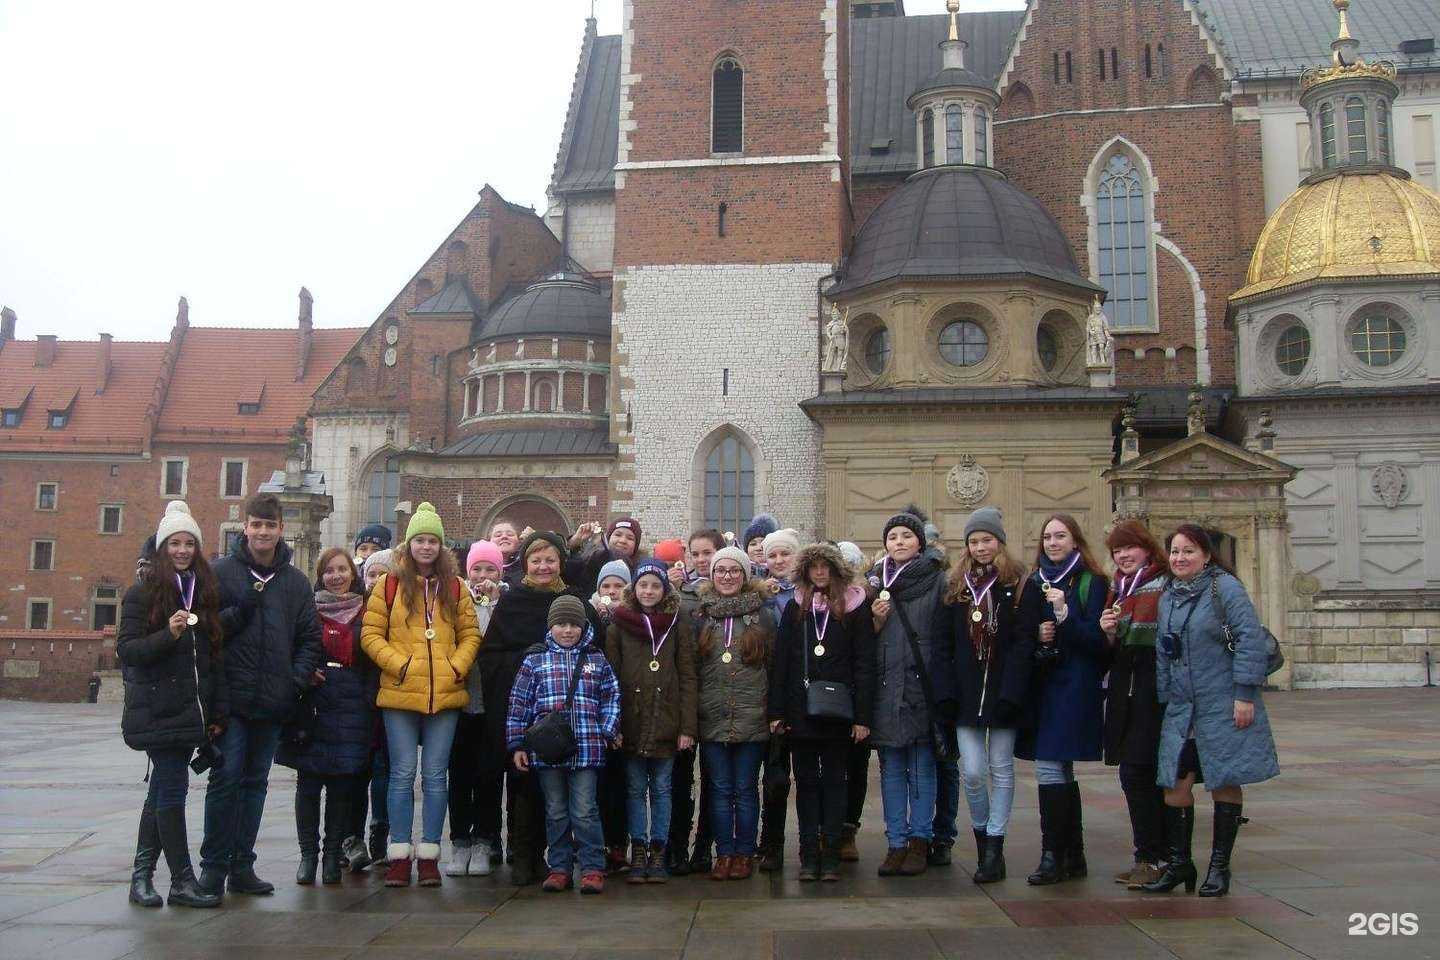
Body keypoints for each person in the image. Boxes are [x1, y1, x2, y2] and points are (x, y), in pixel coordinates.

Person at [1141, 524, 1279, 898]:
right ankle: (1181, 862)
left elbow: (1250, 639)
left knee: (1224, 779)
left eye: (1188, 551)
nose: (1179, 558)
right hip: (1183, 707)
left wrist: (1245, 694)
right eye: (1174, 552)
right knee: (1175, 785)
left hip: (1222, 702)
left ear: (1205, 555)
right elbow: (1164, 650)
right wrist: (1166, 697)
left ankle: (1220, 867)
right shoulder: (1169, 592)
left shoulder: (1225, 588)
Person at [201, 493, 322, 897]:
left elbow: (309, 638)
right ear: (246, 527)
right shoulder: (221, 572)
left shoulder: (295, 582)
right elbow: (209, 630)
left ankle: (242, 866)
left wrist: (295, 680)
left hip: (273, 699)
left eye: (270, 525)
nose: (263, 532)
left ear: (280, 530)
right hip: (232, 698)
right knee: (225, 779)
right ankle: (213, 869)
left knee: (255, 783)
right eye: (256, 524)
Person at [360, 502, 482, 887]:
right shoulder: (389, 585)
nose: (426, 547)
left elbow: (470, 634)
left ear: (441, 547)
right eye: (420, 540)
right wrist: (400, 665)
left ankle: (429, 852)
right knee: (401, 775)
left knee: (435, 776)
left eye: (432, 541)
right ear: (409, 544)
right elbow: (370, 635)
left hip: (444, 694)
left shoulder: (455, 587)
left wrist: (456, 667)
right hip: (400, 693)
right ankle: (399, 852)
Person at [118, 502, 225, 908]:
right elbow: (128, 651)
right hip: (159, 711)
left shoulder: (203, 593)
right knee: (173, 792)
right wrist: (169, 634)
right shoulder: (142, 594)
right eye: (175, 543)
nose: (182, 550)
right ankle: (182, 879)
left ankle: (141, 876)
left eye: (189, 544)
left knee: (161, 792)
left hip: (190, 713)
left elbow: (212, 660)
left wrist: (215, 713)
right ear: (162, 549)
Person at [481, 531, 602, 885]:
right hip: (524, 710)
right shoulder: (512, 601)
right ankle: (523, 856)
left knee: (568, 798)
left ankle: (561, 860)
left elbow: (597, 649)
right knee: (523, 787)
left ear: (561, 562)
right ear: (525, 564)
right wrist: (525, 658)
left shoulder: (574, 601)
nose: (544, 566)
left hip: (569, 717)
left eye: (550, 560)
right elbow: (490, 656)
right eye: (536, 560)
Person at [768, 542, 875, 882]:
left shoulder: (857, 605)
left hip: (839, 710)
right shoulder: (796, 607)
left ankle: (830, 854)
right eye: (813, 567)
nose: (819, 572)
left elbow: (865, 663)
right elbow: (782, 661)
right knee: (807, 783)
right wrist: (777, 711)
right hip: (800, 710)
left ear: (835, 569)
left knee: (834, 782)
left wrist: (863, 717)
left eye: (825, 566)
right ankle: (808, 853)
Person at [936, 507, 1032, 884]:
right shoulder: (956, 587)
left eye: (987, 540)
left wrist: (1013, 690)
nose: (980, 548)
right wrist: (945, 691)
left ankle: (995, 845)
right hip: (966, 693)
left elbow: (1024, 643)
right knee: (973, 772)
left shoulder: (1018, 584)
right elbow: (942, 645)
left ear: (999, 542)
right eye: (974, 542)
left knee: (1002, 770)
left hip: (1002, 691)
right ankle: (981, 834)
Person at [1016, 513, 1109, 886]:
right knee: (1057, 767)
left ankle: (1053, 854)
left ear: (1075, 541)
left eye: (1060, 536)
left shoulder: (1093, 582)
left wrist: (1065, 615)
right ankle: (1072, 853)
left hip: (1074, 685)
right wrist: (1038, 633)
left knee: (1050, 765)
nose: (1053, 543)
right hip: (1043, 684)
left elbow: (1099, 643)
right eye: (1048, 537)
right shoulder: (1033, 581)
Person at [506, 595, 621, 895]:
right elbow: (519, 704)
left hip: (587, 748)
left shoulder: (596, 659)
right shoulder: (535, 660)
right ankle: (559, 867)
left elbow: (611, 697)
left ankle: (593, 866)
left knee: (584, 810)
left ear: (583, 627)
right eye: (561, 624)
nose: (567, 630)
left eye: (573, 624)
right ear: (550, 626)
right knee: (556, 811)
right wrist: (518, 744)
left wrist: (605, 730)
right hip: (548, 753)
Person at [276, 548, 376, 886]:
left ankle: (333, 855)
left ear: (352, 573)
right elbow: (291, 647)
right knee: (308, 783)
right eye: (329, 570)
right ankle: (308, 855)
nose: (336, 576)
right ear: (321, 575)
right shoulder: (308, 609)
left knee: (341, 784)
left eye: (342, 569)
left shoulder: (368, 610)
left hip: (353, 703)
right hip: (315, 702)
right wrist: (304, 672)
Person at [867, 506, 953, 878]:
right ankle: (895, 842)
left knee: (921, 768)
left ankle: (920, 840)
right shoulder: (873, 583)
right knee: (890, 770)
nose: (899, 542)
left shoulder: (937, 581)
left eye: (906, 536)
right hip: (886, 688)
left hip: (921, 687)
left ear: (919, 542)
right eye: (892, 537)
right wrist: (875, 620)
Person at [605, 558, 698, 883]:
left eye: (655, 585)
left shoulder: (677, 623)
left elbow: (687, 676)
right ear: (634, 588)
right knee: (633, 789)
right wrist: (613, 725)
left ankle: (658, 849)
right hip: (631, 719)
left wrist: (687, 728)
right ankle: (639, 848)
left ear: (664, 590)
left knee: (661, 789)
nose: (648, 591)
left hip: (666, 720)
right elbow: (611, 678)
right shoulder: (618, 626)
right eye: (643, 584)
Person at [694, 546, 776, 880]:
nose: (727, 576)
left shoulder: (763, 616)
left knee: (744, 789)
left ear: (745, 575)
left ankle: (744, 852)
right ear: (712, 576)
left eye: (734, 571)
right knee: (719, 788)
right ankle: (723, 852)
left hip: (751, 717)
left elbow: (774, 666)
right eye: (720, 570)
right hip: (712, 716)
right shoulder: (700, 616)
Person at [1099, 520, 1170, 889]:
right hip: (1125, 691)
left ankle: (1157, 858)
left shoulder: (1162, 585)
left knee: (1144, 776)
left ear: (1146, 548)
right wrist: (1109, 632)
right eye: (1116, 551)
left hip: (1152, 694)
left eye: (1129, 548)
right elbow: (1116, 647)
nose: (1123, 556)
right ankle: (1148, 855)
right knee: (1135, 776)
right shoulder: (1120, 589)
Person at [446, 540, 506, 877]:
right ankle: (459, 842)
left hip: (491, 704)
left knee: (489, 776)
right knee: (459, 775)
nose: (483, 576)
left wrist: (493, 605)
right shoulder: (454, 601)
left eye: (489, 569)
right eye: (477, 569)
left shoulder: (503, 604)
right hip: (459, 702)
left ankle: (485, 839)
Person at [668, 529, 723, 875]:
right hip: (686, 699)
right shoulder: (679, 595)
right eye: (696, 553)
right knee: (680, 779)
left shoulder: (730, 591)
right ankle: (676, 845)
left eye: (708, 553)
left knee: (714, 781)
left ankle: (705, 845)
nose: (701, 560)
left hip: (719, 697)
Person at [757, 527, 801, 872]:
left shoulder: (807, 594)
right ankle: (771, 844)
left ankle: (812, 840)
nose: (779, 560)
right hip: (763, 694)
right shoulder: (758, 595)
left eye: (785, 553)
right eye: (772, 555)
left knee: (806, 774)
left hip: (799, 695)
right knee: (773, 777)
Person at [350, 549, 396, 869]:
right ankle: (350, 837)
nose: (376, 580)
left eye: (383, 574)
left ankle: (380, 831)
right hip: (357, 702)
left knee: (383, 771)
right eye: (371, 574)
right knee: (355, 773)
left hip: (390, 700)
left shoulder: (402, 610)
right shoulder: (355, 610)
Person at [836, 539, 872, 863]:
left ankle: (847, 830)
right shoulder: (816, 601)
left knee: (856, 767)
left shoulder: (865, 600)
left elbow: (866, 658)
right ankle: (826, 830)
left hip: (857, 696)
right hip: (825, 699)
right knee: (830, 770)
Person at [591, 559, 631, 625]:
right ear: (598, 590)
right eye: (606, 586)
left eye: (618, 586)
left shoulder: (638, 613)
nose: (611, 591)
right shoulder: (588, 610)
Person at [490, 520, 524, 585]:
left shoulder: (526, 566)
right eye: (498, 535)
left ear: (519, 541)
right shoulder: (481, 567)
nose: (504, 537)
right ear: (489, 541)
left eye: (510, 534)